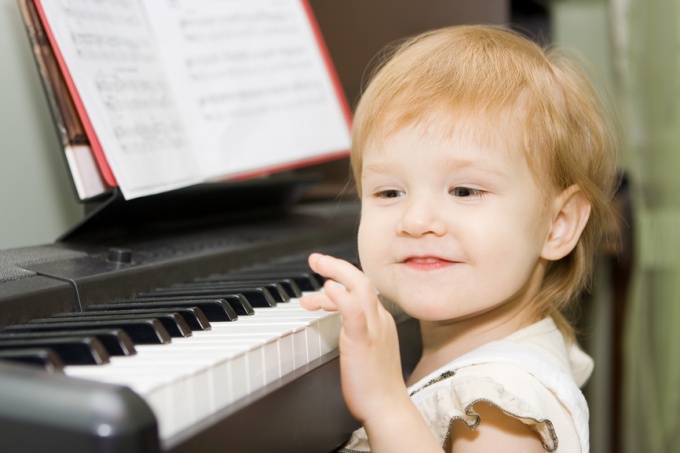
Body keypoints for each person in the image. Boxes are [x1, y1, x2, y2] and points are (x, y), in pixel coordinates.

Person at [300, 24, 619, 452]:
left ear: (557, 225)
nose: (416, 220)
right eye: (389, 192)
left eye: (465, 191)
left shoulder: (502, 408)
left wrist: (384, 404)